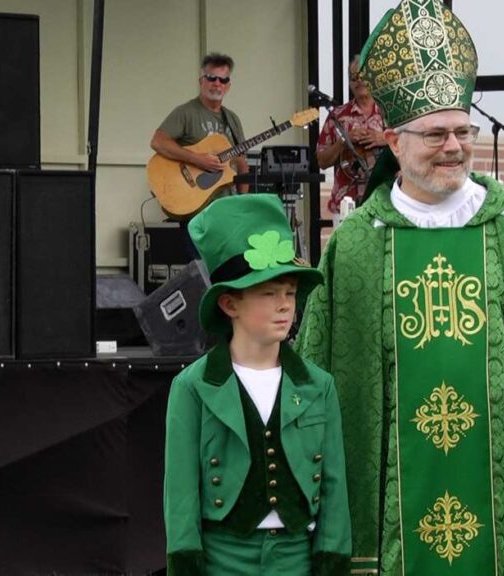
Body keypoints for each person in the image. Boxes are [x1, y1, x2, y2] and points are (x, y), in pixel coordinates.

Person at [296, 2, 504, 575]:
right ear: (394, 143)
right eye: (434, 134)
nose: (453, 146)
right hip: (392, 508)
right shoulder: (354, 246)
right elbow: (317, 368)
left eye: (462, 131)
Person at [164, 194, 351, 576]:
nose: (286, 306)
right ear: (230, 304)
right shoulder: (193, 387)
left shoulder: (319, 386)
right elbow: (180, 497)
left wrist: (331, 562)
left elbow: (334, 491)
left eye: (290, 293)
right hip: (222, 562)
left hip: (296, 561)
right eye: (268, 293)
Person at [151, 52, 250, 198]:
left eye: (223, 80)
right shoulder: (186, 112)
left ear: (228, 86)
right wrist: (197, 159)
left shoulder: (232, 119)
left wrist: (243, 199)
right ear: (201, 81)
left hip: (226, 202)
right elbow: (158, 142)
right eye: (212, 78)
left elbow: (241, 163)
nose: (217, 83)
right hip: (194, 202)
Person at [315, 55, 386, 217]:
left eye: (363, 76)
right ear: (349, 83)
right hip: (345, 204)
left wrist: (383, 138)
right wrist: (344, 141)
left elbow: (409, 148)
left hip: (383, 202)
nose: (359, 81)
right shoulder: (337, 116)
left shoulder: (388, 112)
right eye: (354, 77)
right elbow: (322, 161)